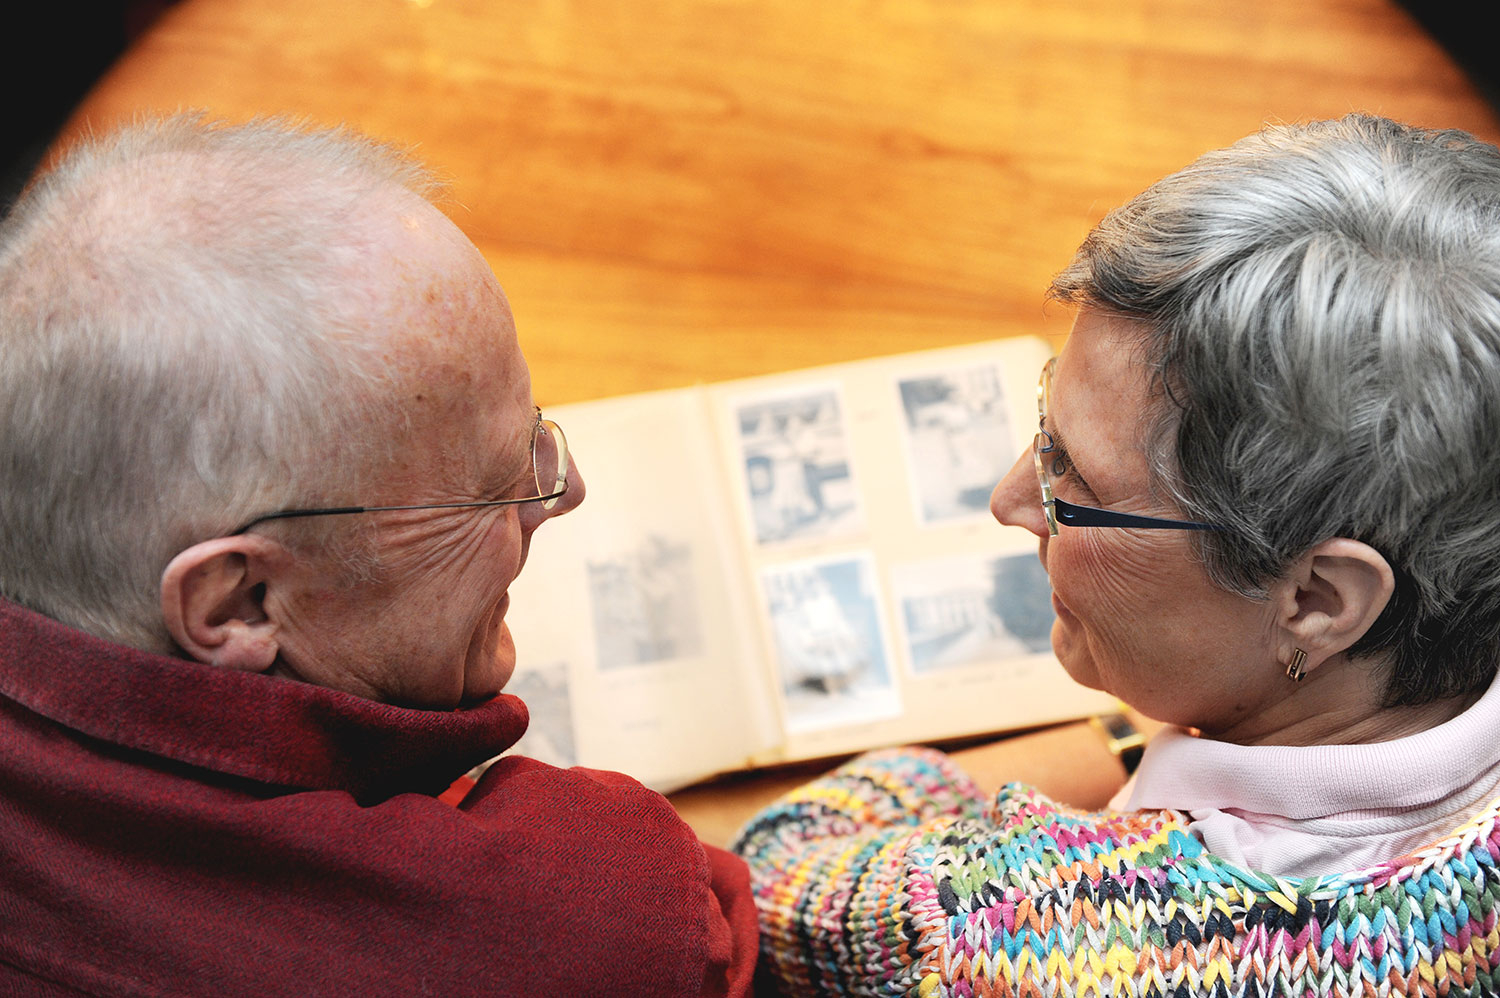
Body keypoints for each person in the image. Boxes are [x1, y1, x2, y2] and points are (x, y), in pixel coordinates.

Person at [732, 115, 1500, 997]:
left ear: (1318, 600)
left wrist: (1119, 742)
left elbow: (773, 870)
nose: (1012, 499)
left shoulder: (1018, 928)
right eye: (1044, 424)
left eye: (1076, 478)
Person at [0, 114, 756, 997]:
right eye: (489, 487)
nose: (564, 492)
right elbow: (729, 931)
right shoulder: (557, 929)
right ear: (240, 603)